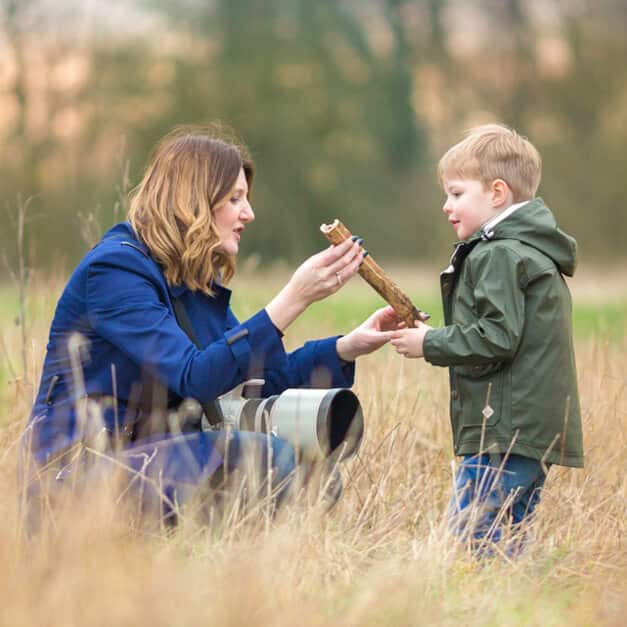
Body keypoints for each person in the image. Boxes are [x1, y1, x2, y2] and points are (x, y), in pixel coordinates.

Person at [22, 125, 399, 525]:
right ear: (193, 201)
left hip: (151, 458)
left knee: (317, 474)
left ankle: (213, 565)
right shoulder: (115, 271)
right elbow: (195, 376)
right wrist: (295, 297)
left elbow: (252, 381)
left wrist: (347, 347)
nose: (248, 214)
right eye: (235, 198)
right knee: (269, 459)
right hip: (76, 479)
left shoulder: (192, 279)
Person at [391, 123, 583, 553]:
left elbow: (497, 336)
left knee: (470, 543)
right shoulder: (531, 250)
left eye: (456, 193)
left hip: (504, 429)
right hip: (530, 430)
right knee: (506, 544)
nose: (446, 205)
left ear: (497, 194)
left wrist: (430, 343)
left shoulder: (498, 253)